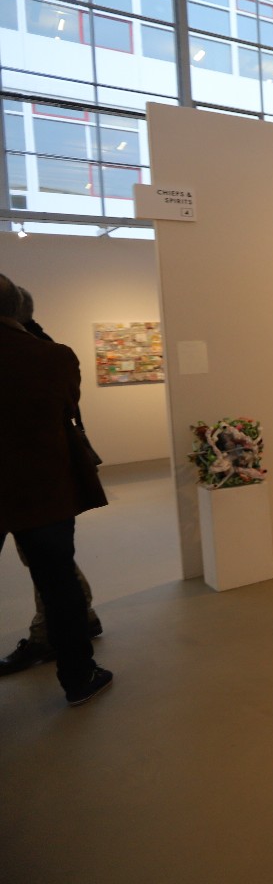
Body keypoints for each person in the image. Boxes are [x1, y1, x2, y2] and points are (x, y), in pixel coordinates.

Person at [0, 272, 114, 706]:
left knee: (57, 580)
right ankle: (79, 675)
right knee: (58, 582)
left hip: (35, 490)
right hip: (42, 489)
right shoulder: (52, 356)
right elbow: (68, 402)